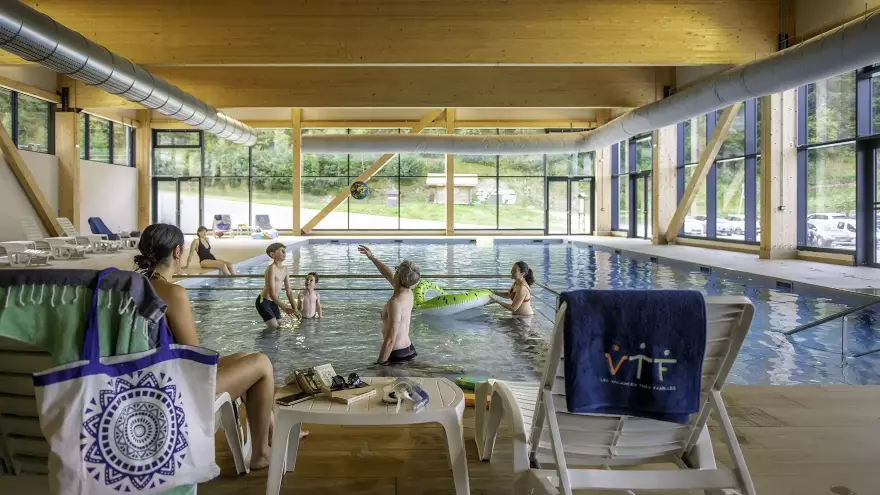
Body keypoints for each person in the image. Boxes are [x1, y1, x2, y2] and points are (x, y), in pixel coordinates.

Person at [134, 224, 306, 472]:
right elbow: (192, 355)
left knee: (246, 357)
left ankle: (271, 432)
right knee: (262, 362)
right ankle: (261, 453)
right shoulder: (173, 292)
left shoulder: (136, 285)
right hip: (177, 386)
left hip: (150, 378)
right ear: (177, 251)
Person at [358, 245, 420, 365]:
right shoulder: (408, 292)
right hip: (408, 349)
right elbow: (388, 274)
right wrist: (372, 257)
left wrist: (379, 364)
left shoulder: (395, 302)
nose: (393, 272)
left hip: (396, 354)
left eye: (396, 270)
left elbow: (391, 339)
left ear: (398, 275)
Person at [257, 242, 300, 329]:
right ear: (273, 254)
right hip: (263, 301)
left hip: (274, 302)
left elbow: (289, 292)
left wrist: (295, 309)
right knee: (274, 328)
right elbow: (272, 294)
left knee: (279, 327)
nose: (284, 253)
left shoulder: (285, 269)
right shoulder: (271, 269)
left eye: (284, 251)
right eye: (281, 251)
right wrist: (285, 308)